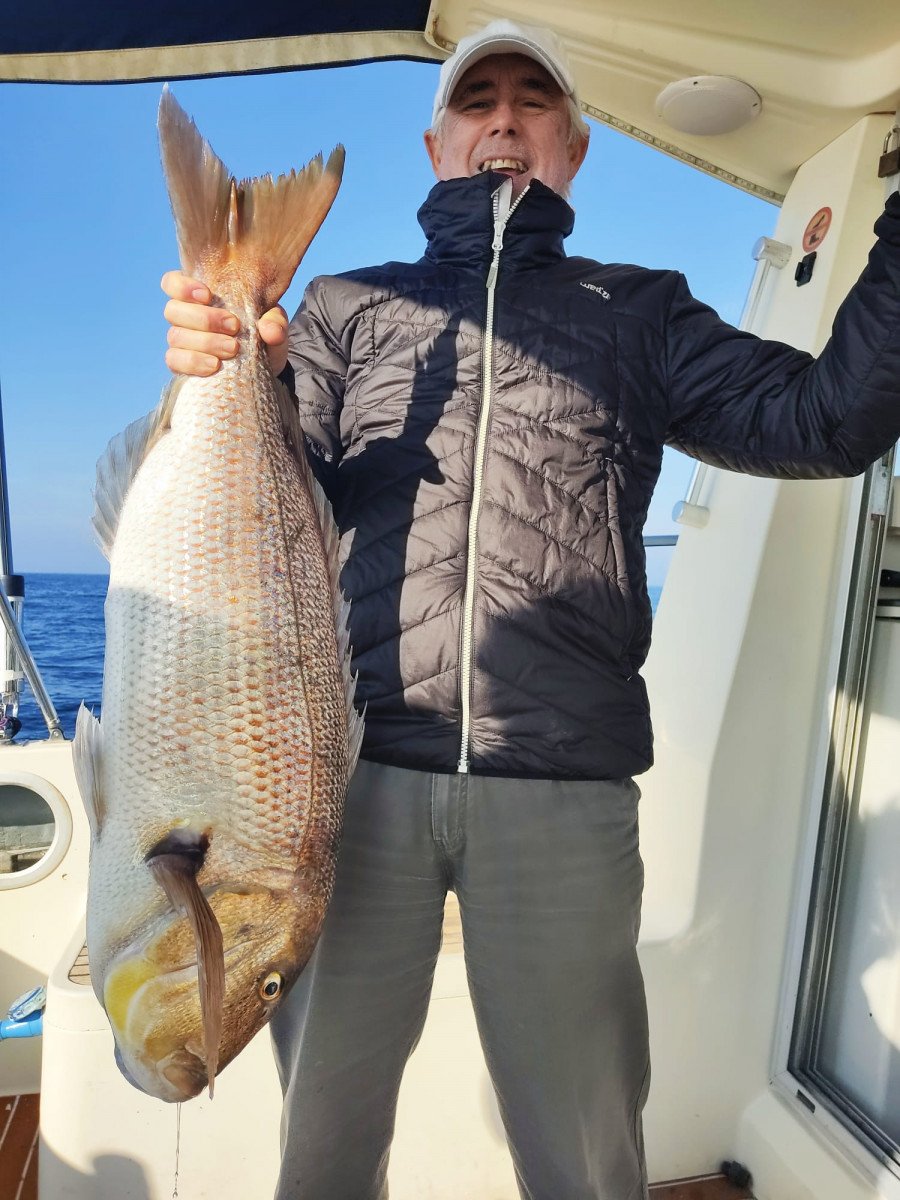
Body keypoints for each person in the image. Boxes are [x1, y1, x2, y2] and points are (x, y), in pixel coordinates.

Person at [161, 20, 900, 1199]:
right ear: (438, 140)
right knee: (323, 1147)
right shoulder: (348, 307)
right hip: (350, 791)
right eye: (479, 100)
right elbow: (264, 493)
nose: (504, 119)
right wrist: (213, 365)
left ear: (574, 145)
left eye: (532, 101)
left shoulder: (641, 312)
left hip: (563, 790)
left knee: (589, 1159)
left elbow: (826, 420)